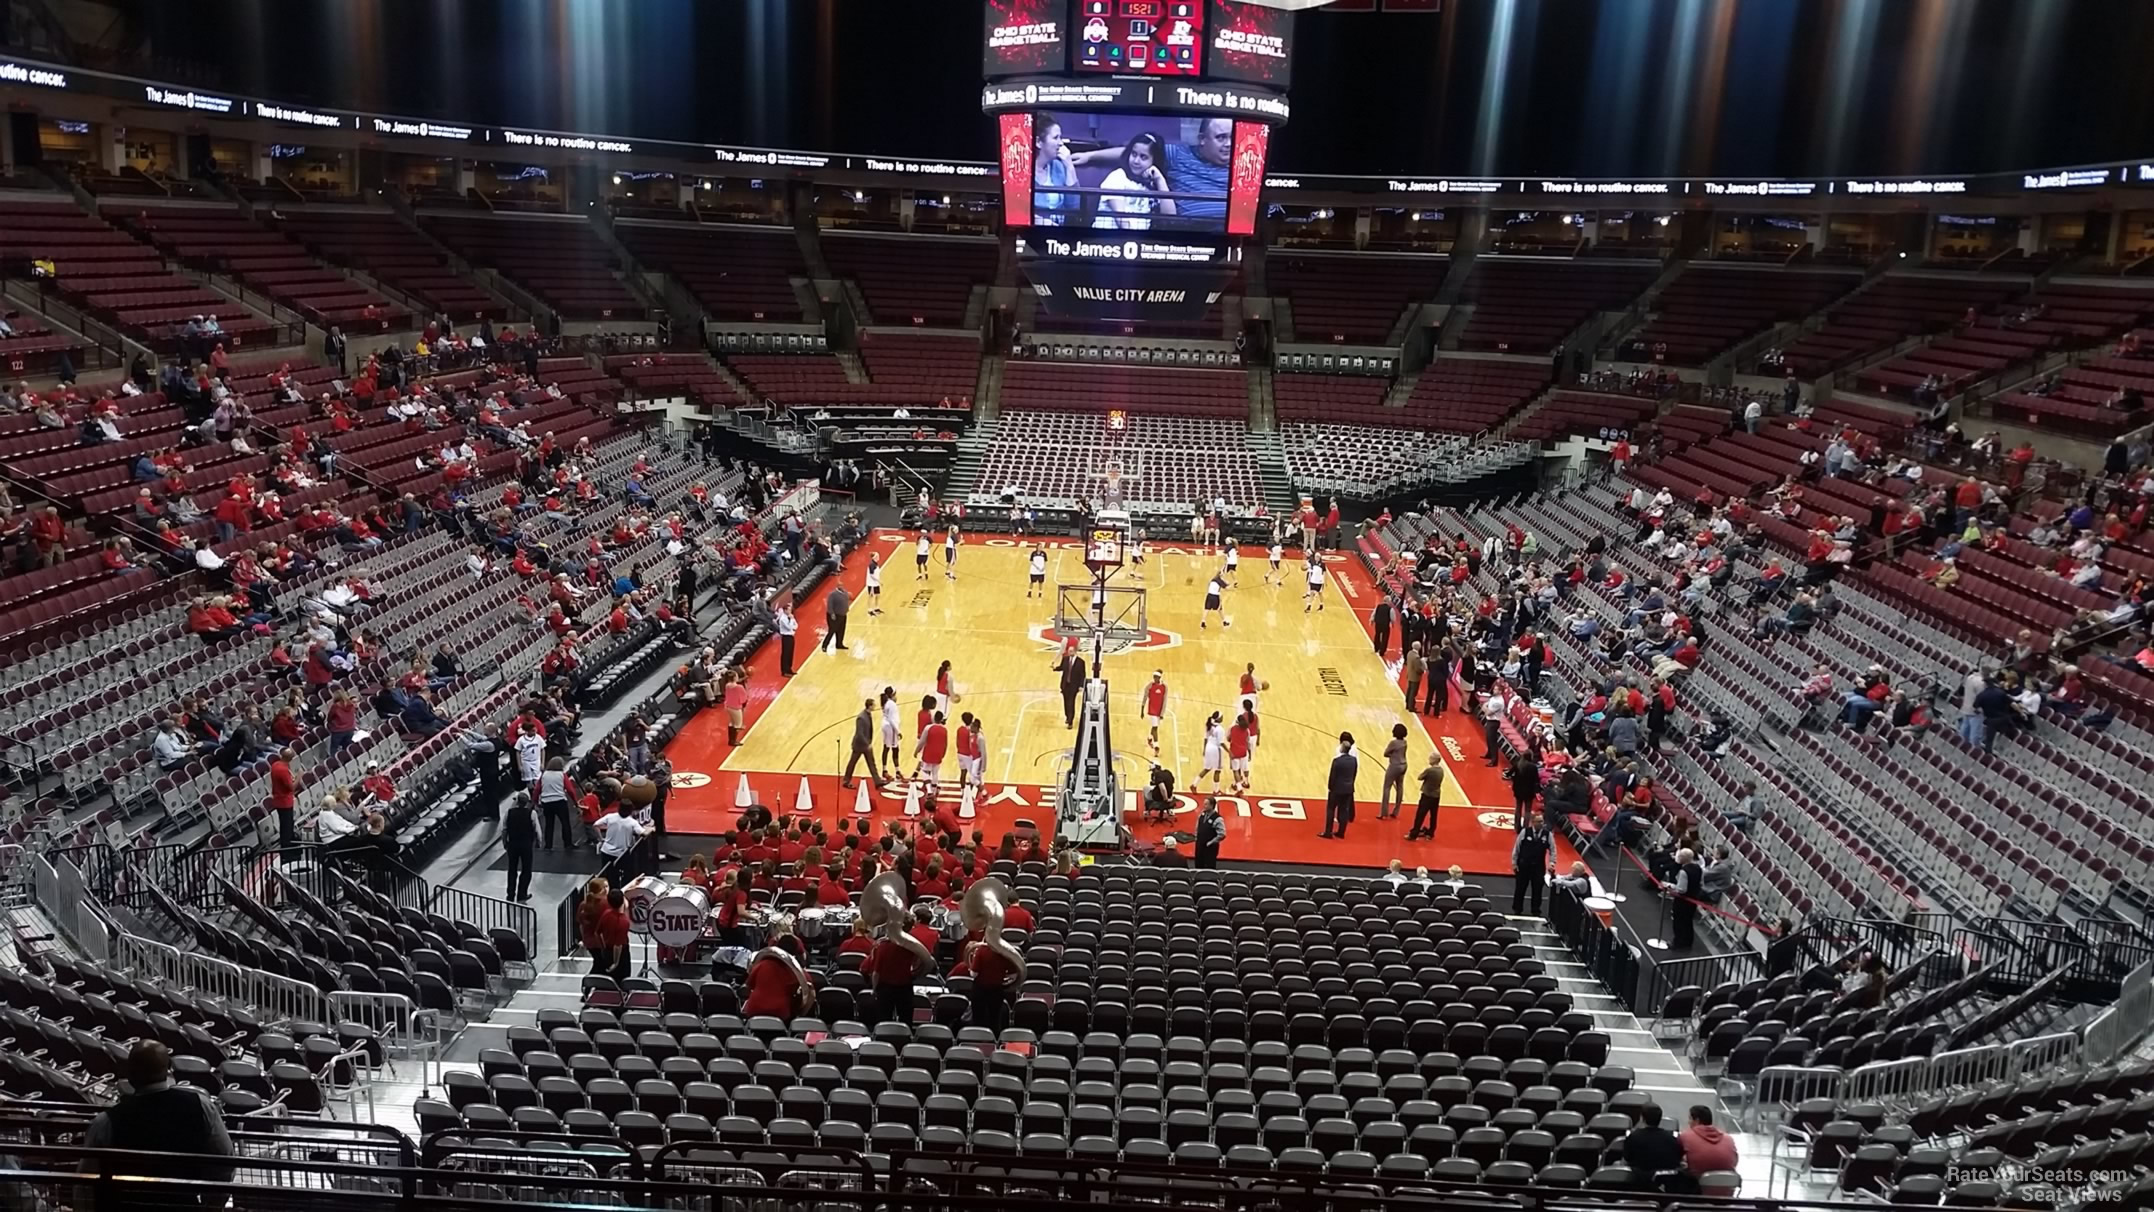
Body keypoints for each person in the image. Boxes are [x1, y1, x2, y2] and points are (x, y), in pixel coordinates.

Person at [80, 1040, 236, 1208]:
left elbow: (85, 1181)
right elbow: (225, 1160)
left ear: (129, 1072)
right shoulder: (201, 1105)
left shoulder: (105, 1122)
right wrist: (212, 1205)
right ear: (168, 1069)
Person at [1093, 131, 1179, 230]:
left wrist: (1160, 180)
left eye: (1143, 157)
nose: (1136, 161)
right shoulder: (1117, 176)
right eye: (1134, 154)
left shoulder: (1153, 186)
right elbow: (1122, 221)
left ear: (1154, 161)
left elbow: (1170, 217)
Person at [1621, 1101, 1687, 1193]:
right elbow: (1678, 1162)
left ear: (1642, 1118)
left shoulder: (1633, 1137)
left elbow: (1626, 1160)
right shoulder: (1672, 1139)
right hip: (1665, 1187)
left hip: (1638, 1185)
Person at [1030, 113, 1080, 225]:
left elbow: (1074, 207)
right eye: (1055, 138)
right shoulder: (1022, 172)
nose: (1061, 143)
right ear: (1038, 142)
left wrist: (1069, 166)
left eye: (1060, 137)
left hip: (1059, 232)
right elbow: (1017, 209)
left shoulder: (1058, 166)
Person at [1678, 1105, 1738, 1182]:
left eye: (1690, 1119)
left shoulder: (1685, 1136)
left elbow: (1676, 1158)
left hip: (1697, 1185)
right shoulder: (1728, 1138)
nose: (1688, 1122)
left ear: (1696, 1120)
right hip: (1727, 1185)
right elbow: (1735, 1161)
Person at [534, 756, 580, 851]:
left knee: (549, 824)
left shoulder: (544, 775)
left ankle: (548, 845)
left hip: (547, 802)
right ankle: (568, 844)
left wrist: (535, 801)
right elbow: (570, 790)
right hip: (560, 802)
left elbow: (537, 789)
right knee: (565, 823)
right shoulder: (562, 775)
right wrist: (576, 802)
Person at [1321, 732, 1357, 840]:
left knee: (1331, 809)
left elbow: (1332, 776)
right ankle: (1341, 832)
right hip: (1348, 789)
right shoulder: (1354, 760)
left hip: (1336, 789)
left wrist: (1330, 788)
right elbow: (1354, 774)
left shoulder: (1337, 761)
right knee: (1344, 810)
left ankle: (1328, 832)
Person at [503, 791, 537, 901]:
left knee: (512, 869)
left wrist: (504, 842)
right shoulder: (531, 813)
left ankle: (510, 893)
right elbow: (537, 829)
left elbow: (504, 829)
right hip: (526, 844)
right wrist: (539, 842)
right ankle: (522, 893)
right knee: (526, 869)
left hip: (512, 844)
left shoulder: (509, 813)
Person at [843, 698, 883, 788]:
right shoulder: (861, 718)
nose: (875, 707)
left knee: (871, 763)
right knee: (852, 762)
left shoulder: (868, 715)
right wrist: (867, 744)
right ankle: (846, 780)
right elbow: (859, 733)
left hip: (866, 744)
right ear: (870, 706)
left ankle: (877, 781)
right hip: (859, 745)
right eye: (874, 705)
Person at [1667, 847, 1703, 948]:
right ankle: (1688, 942)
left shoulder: (1684, 871)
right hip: (1693, 899)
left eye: (1681, 856)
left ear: (1684, 858)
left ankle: (1678, 943)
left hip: (1683, 901)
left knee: (1679, 922)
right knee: (1688, 922)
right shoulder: (1698, 868)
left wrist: (1671, 889)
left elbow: (1681, 890)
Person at [267, 748, 299, 849]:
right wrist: (299, 777)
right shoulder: (283, 770)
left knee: (286, 824)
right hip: (285, 801)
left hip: (279, 799)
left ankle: (289, 841)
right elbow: (292, 787)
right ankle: (287, 846)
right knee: (287, 825)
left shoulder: (275, 765)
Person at [1408, 751, 1443, 841]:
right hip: (1436, 795)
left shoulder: (1430, 770)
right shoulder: (1441, 770)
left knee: (1420, 815)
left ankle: (1413, 834)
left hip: (1427, 795)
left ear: (1434, 760)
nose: (1429, 759)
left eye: (1430, 758)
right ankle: (1431, 833)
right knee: (1433, 815)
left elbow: (1420, 777)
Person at [1378, 723, 1409, 821]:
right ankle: (1396, 811)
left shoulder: (1393, 743)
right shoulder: (1405, 742)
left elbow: (1385, 753)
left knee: (1387, 787)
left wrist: (1391, 755)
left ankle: (1384, 813)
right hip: (1404, 765)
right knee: (1400, 787)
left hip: (1395, 765)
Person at [1194, 796, 1226, 868]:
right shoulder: (1202, 814)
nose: (1204, 806)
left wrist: (1211, 842)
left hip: (1210, 848)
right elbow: (1198, 826)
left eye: (1206, 804)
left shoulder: (1218, 819)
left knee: (1209, 866)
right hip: (1199, 845)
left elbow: (1222, 834)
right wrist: (1196, 837)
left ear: (1211, 805)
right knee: (1198, 864)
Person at [773, 595, 798, 676]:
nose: (790, 612)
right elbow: (789, 627)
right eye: (789, 610)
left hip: (791, 636)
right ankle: (784, 671)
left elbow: (796, 626)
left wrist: (792, 620)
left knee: (790, 653)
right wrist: (792, 620)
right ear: (785, 610)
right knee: (786, 653)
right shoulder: (783, 619)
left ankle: (789, 668)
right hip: (786, 637)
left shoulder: (789, 617)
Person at [822, 583, 851, 651]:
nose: (841, 586)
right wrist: (832, 614)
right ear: (837, 586)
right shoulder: (833, 594)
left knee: (841, 630)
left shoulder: (845, 592)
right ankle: (824, 645)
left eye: (842, 585)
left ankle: (839, 644)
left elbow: (847, 600)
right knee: (832, 631)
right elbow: (829, 605)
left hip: (843, 615)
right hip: (835, 616)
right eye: (840, 585)